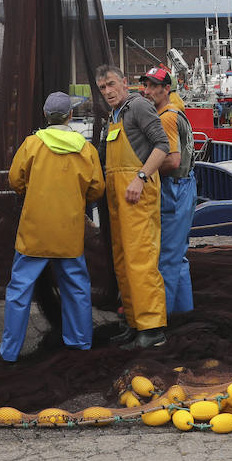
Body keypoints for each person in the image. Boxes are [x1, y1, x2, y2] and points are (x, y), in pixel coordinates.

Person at [0, 91, 105, 362]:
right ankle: (80, 343)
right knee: (77, 288)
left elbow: (15, 181)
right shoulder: (86, 148)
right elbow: (96, 189)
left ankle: (9, 353)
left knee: (19, 291)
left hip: (34, 231)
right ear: (70, 116)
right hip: (69, 232)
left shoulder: (31, 145)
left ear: (45, 116)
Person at [94, 64, 169, 348]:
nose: (108, 92)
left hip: (137, 195)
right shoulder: (113, 115)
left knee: (141, 260)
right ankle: (133, 322)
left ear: (124, 83)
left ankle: (153, 329)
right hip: (118, 200)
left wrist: (140, 177)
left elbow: (162, 146)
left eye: (112, 84)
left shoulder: (138, 107)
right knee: (123, 261)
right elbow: (102, 157)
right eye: (103, 88)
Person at [140, 66, 195, 314]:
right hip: (185, 186)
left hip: (173, 189)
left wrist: (140, 171)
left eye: (153, 86)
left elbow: (172, 160)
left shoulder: (166, 118)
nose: (147, 91)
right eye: (146, 85)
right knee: (178, 258)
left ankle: (164, 319)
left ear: (166, 89)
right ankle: (183, 313)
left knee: (167, 259)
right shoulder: (175, 110)